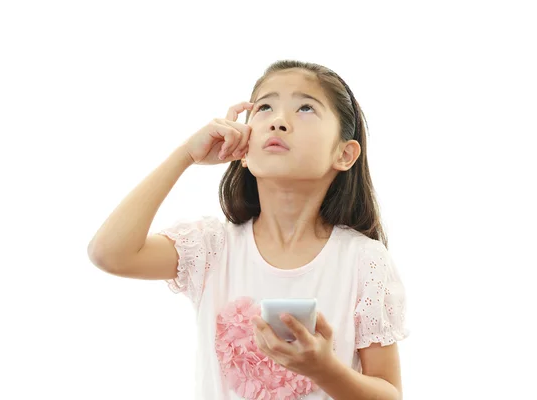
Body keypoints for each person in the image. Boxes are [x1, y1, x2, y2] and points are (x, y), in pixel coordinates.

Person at [88, 59, 410, 400]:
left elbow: (388, 393)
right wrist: (186, 155)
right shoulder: (212, 247)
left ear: (344, 154)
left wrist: (324, 370)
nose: (278, 122)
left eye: (305, 108)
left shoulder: (363, 260)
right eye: (265, 107)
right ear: (242, 151)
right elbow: (109, 253)